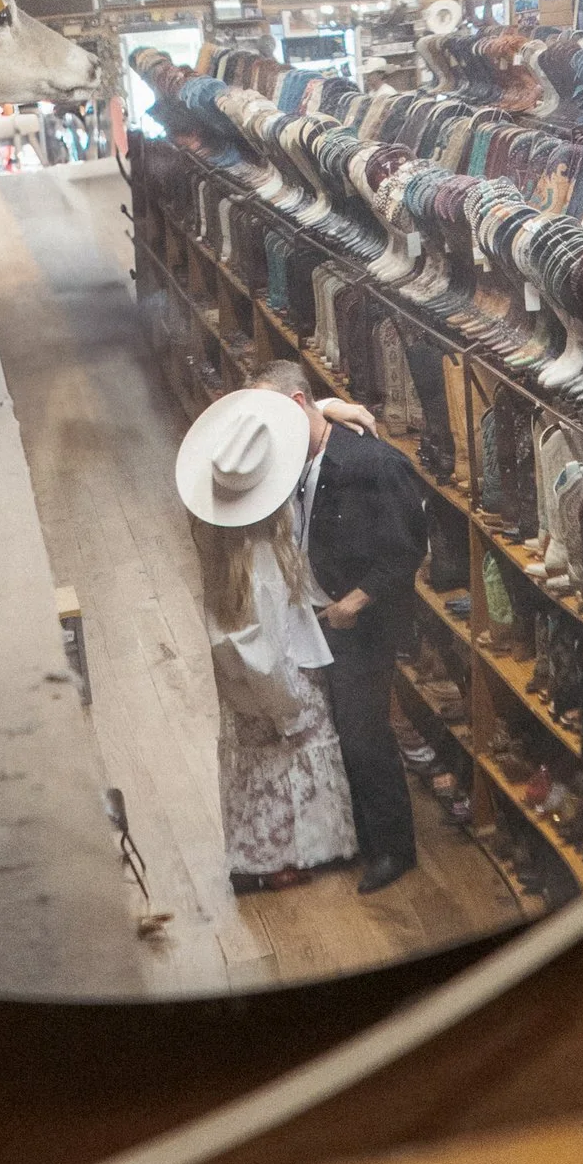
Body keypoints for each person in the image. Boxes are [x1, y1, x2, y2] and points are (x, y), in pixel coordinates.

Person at [175, 389, 357, 893]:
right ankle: (290, 853)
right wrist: (288, 709)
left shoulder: (225, 555)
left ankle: (259, 850)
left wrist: (327, 407)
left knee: (256, 765)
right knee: (292, 755)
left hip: (247, 694)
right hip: (280, 687)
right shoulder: (265, 568)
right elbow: (269, 654)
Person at [274, 364, 428, 894]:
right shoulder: (303, 450)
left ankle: (393, 850)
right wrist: (330, 405)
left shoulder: (372, 465)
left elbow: (407, 548)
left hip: (359, 622)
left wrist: (354, 602)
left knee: (364, 735)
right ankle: (360, 832)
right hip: (321, 616)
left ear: (296, 407)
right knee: (340, 728)